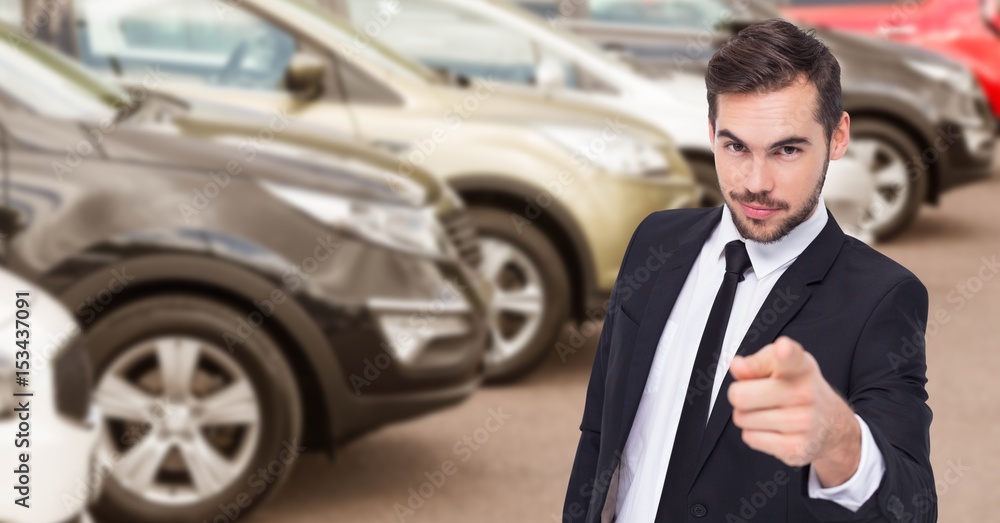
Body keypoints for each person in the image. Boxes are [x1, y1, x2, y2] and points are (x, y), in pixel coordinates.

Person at [562, 19, 935, 523]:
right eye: (736, 146)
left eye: (787, 149)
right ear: (712, 133)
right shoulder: (655, 241)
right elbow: (600, 433)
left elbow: (912, 506)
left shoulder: (882, 299)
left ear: (838, 136)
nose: (756, 183)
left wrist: (841, 442)